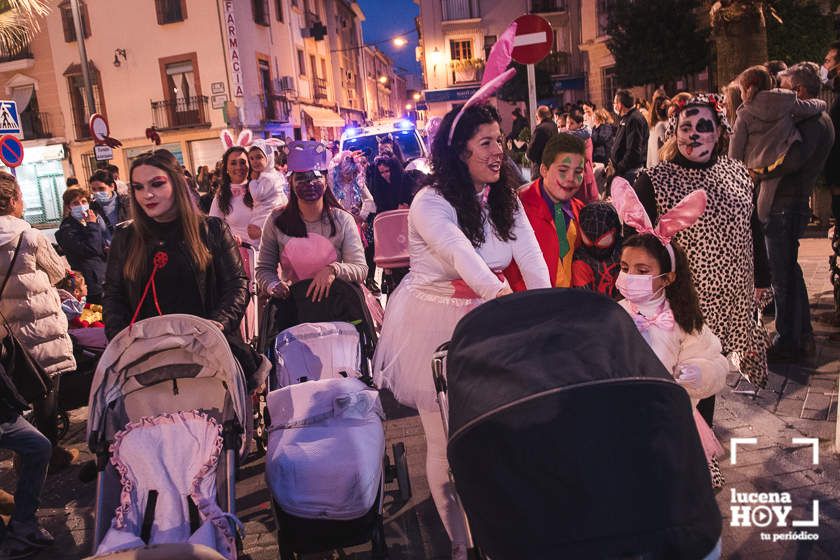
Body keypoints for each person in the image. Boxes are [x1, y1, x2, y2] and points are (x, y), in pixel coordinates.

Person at [373, 103, 550, 560]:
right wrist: (502, 299)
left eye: (501, 140)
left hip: (492, 317)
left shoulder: (504, 196)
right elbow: (459, 255)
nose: (498, 152)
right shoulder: (430, 201)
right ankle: (458, 542)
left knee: (500, 433)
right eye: (487, 142)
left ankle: (501, 525)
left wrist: (547, 306)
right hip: (437, 321)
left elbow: (530, 255)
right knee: (444, 440)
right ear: (459, 150)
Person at [632, 93, 770, 426]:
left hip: (729, 299)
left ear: (720, 132)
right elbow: (638, 243)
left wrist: (762, 280)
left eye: (704, 126)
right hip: (682, 300)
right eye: (687, 126)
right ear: (674, 131)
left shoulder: (738, 173)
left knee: (708, 377)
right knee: (682, 374)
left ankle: (700, 446)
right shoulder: (654, 180)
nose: (694, 133)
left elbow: (753, 227)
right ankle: (687, 447)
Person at [102, 151, 266, 391]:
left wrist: (217, 325)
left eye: (157, 184)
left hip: (210, 354)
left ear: (176, 184)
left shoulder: (211, 231)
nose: (147, 194)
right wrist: (123, 339)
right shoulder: (125, 238)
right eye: (138, 187)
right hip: (147, 362)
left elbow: (236, 285)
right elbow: (113, 295)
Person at [612, 178, 729, 490]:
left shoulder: (683, 321)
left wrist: (696, 372)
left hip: (673, 425)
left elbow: (716, 364)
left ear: (668, 278)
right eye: (624, 267)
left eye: (641, 270)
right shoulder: (614, 315)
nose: (629, 276)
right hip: (623, 423)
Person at [0, 171, 77, 486]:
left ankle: (26, 451)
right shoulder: (30, 236)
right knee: (46, 395)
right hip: (40, 328)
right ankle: (45, 457)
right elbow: (58, 271)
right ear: (15, 200)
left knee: (16, 395)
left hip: (8, 332)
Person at [759, 63, 834, 361]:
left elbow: (790, 162)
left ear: (799, 91)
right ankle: (800, 335)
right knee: (789, 271)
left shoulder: (814, 121)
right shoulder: (816, 118)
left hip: (786, 206)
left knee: (782, 276)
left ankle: (788, 339)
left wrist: (760, 167)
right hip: (787, 204)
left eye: (785, 88)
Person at [256, 141, 368, 303]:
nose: (309, 184)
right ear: (291, 183)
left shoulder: (343, 219)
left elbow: (360, 268)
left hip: (337, 305)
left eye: (315, 178)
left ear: (325, 181)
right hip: (293, 307)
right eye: (301, 179)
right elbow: (264, 268)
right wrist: (273, 285)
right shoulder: (276, 220)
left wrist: (333, 270)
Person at [728, 65, 825, 223]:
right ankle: (763, 220)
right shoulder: (785, 101)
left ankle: (759, 223)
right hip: (780, 157)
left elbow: (735, 149)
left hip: (754, 165)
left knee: (758, 204)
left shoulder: (744, 112)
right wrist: (822, 103)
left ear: (746, 89)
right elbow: (809, 107)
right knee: (769, 194)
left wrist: (734, 174)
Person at [506, 133, 587, 291]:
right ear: (544, 170)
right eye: (563, 170)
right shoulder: (517, 209)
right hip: (528, 305)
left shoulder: (580, 210)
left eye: (578, 172)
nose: (571, 178)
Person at [365, 155, 413, 294]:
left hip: (406, 227)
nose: (385, 175)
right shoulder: (378, 186)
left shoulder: (404, 180)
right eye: (382, 172)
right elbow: (379, 208)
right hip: (390, 229)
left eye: (387, 171)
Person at [210, 146, 274, 250]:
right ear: (226, 168)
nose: (238, 167)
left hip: (269, 253)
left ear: (250, 165)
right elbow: (213, 230)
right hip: (240, 256)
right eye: (233, 163)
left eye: (243, 162)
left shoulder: (263, 186)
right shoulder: (221, 196)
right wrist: (229, 240)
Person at [55, 187, 109, 305]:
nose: (81, 205)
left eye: (84, 202)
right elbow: (91, 249)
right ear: (69, 207)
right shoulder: (68, 228)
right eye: (75, 203)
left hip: (103, 276)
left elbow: (98, 246)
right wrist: (92, 225)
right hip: (89, 283)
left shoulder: (88, 222)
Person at [609, 88, 649, 188]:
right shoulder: (626, 118)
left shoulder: (634, 119)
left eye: (615, 103)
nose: (614, 106)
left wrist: (619, 169)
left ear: (620, 104)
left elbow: (633, 151)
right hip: (624, 171)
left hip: (630, 172)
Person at [566, 108, 598, 203]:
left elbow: (585, 157)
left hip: (583, 178)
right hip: (572, 178)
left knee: (584, 207)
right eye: (567, 122)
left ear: (580, 124)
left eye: (571, 123)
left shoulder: (586, 138)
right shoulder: (568, 137)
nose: (568, 126)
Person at [248, 138, 289, 208]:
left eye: (259, 157)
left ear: (269, 157)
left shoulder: (268, 177)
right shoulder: (273, 174)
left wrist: (253, 181)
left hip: (268, 215)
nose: (254, 161)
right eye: (251, 158)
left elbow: (256, 196)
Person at [89, 169, 131, 234]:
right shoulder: (92, 207)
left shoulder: (126, 202)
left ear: (112, 186)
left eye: (101, 188)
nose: (97, 192)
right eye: (94, 189)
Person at [526, 105, 559, 181]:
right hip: (552, 166)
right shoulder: (554, 126)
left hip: (540, 169)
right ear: (549, 115)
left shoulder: (540, 129)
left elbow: (531, 153)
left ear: (537, 117)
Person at [647, 94, 670, 168]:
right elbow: (669, 146)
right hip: (661, 167)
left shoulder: (654, 126)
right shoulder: (662, 125)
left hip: (654, 166)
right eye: (667, 107)